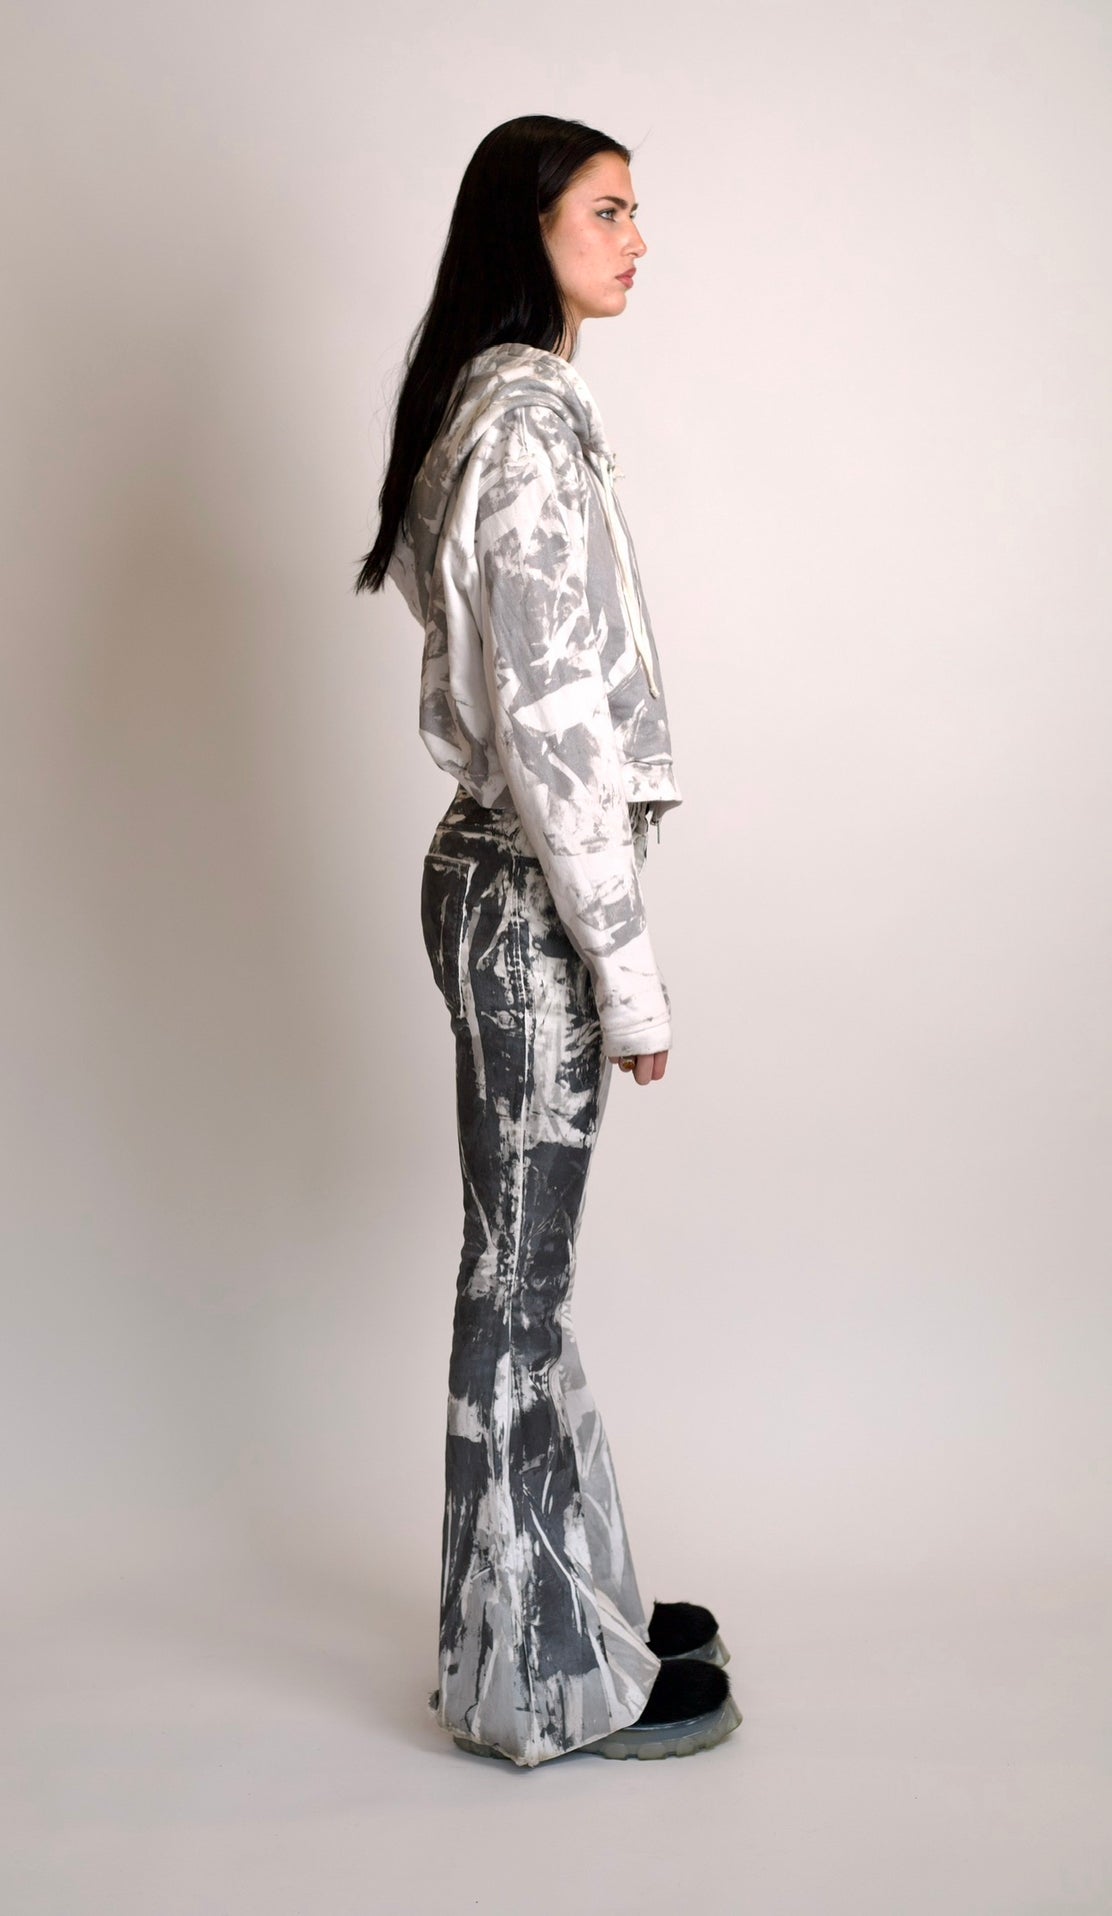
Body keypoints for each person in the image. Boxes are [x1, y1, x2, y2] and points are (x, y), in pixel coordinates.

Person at [354, 115, 741, 1767]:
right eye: (609, 210)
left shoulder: (502, 410)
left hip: (511, 886)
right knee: (516, 1287)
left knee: (525, 1279)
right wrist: (628, 975)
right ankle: (539, 1691)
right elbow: (553, 727)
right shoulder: (520, 431)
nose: (638, 239)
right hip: (528, 896)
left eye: (637, 211)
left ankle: (571, 1613)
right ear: (532, 230)